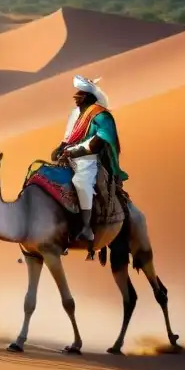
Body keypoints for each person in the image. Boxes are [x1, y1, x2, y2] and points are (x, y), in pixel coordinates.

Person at [51, 75, 127, 249]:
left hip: (89, 158)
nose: (75, 98)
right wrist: (60, 148)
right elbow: (68, 138)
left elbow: (97, 143)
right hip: (69, 156)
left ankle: (86, 227)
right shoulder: (75, 114)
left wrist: (75, 151)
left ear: (87, 97)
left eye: (79, 95)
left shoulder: (102, 117)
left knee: (81, 182)